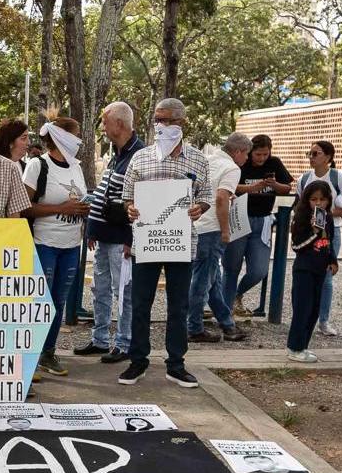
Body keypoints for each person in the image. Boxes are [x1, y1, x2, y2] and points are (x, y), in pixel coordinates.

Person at [119, 97, 211, 389]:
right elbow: (127, 197)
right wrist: (131, 208)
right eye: (158, 120)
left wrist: (200, 208)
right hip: (147, 241)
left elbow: (205, 196)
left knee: (179, 305)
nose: (162, 126)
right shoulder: (141, 157)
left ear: (182, 123)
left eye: (168, 120)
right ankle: (138, 361)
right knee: (140, 302)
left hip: (180, 242)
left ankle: (176, 364)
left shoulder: (198, 159)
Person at [22, 118, 91, 376]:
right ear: (61, 138)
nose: (79, 141)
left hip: (71, 244)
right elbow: (23, 207)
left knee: (58, 301)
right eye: (75, 136)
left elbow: (78, 199)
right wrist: (61, 209)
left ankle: (47, 353)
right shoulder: (37, 166)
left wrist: (84, 208)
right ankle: (28, 356)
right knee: (39, 300)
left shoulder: (76, 168)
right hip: (44, 243)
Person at [77, 101, 143, 362]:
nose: (102, 126)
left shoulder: (138, 155)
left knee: (123, 290)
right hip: (105, 235)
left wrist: (131, 238)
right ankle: (100, 339)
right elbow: (106, 194)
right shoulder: (118, 153)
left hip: (120, 238)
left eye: (105, 121)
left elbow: (139, 201)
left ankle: (124, 342)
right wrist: (93, 227)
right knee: (100, 289)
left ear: (119, 123)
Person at [187, 132, 249, 345]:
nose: (246, 159)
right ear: (238, 151)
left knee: (213, 280)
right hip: (212, 227)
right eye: (246, 154)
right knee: (203, 281)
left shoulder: (207, 160)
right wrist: (225, 230)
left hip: (196, 224)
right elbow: (221, 198)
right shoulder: (232, 168)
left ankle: (227, 323)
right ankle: (193, 327)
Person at [296, 140, 342, 337]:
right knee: (305, 273)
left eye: (316, 153)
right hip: (308, 231)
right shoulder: (304, 179)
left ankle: (323, 319)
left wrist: (327, 214)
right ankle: (303, 318)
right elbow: (300, 206)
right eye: (310, 153)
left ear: (328, 157)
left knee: (326, 275)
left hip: (332, 230)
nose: (312, 157)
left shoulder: (338, 177)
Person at [231, 135, 294, 317]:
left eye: (265, 154)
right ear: (250, 152)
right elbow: (231, 186)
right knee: (231, 266)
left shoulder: (274, 163)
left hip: (263, 219)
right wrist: (253, 187)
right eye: (258, 154)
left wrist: (273, 184)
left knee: (259, 270)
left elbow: (287, 188)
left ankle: (237, 293)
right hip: (240, 217)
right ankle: (225, 304)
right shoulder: (242, 163)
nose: (261, 158)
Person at [284, 179, 340, 363]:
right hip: (304, 269)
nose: (318, 203)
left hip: (320, 269)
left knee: (315, 308)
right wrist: (314, 231)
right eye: (314, 199)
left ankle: (303, 345)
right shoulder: (301, 218)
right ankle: (294, 346)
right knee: (303, 308)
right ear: (307, 200)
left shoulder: (328, 218)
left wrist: (333, 260)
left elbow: (329, 242)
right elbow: (297, 246)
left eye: (322, 199)